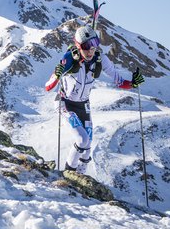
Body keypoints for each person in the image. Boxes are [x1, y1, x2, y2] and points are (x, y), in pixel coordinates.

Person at [45, 25, 144, 173]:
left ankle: (79, 178)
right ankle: (68, 176)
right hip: (65, 103)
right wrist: (57, 75)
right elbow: (48, 86)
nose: (91, 50)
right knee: (82, 140)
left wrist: (133, 83)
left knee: (87, 146)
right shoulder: (69, 59)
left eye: (94, 45)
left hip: (83, 104)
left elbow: (119, 81)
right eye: (86, 46)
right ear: (78, 46)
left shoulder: (100, 59)